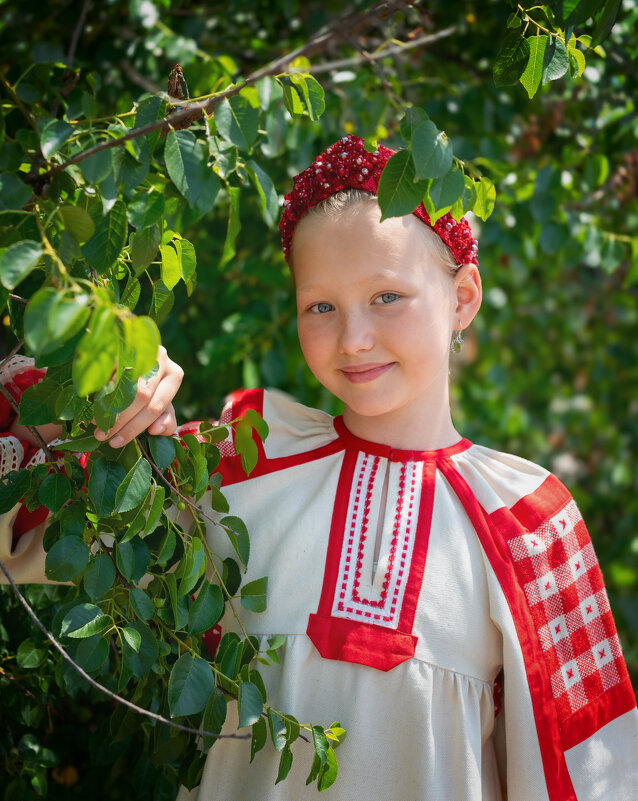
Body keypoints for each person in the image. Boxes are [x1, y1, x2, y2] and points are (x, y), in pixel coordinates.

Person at [1, 135, 636, 800]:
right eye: (321, 306)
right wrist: (101, 379)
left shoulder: (529, 520)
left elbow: (591, 775)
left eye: (387, 296)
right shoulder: (240, 460)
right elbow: (22, 527)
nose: (354, 339)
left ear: (464, 297)